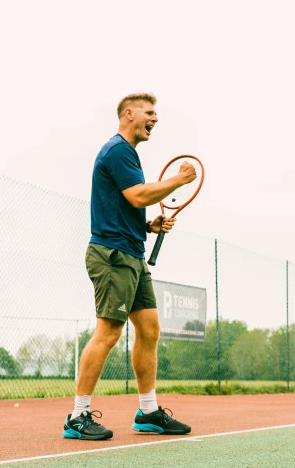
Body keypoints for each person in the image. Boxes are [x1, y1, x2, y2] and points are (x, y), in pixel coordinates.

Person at [63, 93, 196, 440]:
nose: (156, 119)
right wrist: (180, 180)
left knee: (150, 329)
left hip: (132, 252)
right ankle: (77, 417)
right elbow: (138, 195)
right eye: (150, 112)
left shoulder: (129, 155)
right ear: (129, 114)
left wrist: (148, 226)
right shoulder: (118, 150)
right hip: (112, 255)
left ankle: (149, 412)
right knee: (108, 332)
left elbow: (128, 204)